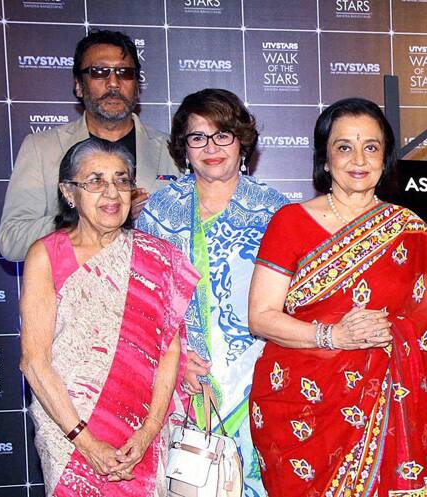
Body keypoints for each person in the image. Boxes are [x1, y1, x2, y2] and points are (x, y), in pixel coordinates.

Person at [247, 97, 427, 496]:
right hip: (300, 409)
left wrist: (395, 332)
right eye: (344, 147)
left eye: (371, 147)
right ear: (325, 159)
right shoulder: (290, 222)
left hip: (388, 403)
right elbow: (261, 316)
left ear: (385, 157)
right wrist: (333, 336)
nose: (358, 158)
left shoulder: (410, 230)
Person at [18, 138, 198, 495]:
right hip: (69, 431)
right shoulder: (47, 255)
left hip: (140, 433)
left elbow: (170, 352)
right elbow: (34, 363)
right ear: (69, 192)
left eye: (121, 180)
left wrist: (148, 431)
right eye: (95, 181)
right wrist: (85, 442)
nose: (111, 192)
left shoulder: (158, 257)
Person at [136, 88, 288, 497]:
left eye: (222, 135)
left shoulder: (276, 211)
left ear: (242, 141)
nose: (211, 147)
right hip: (180, 379)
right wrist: (178, 359)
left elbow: (296, 302)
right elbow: (142, 303)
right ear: (183, 148)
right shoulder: (159, 211)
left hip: (258, 375)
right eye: (197, 137)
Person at [0, 29, 180, 262]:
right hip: (71, 294)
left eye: (124, 73)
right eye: (99, 72)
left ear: (137, 85)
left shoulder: (171, 149)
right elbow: (11, 241)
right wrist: (81, 218)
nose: (113, 83)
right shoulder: (42, 148)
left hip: (151, 292)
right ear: (78, 86)